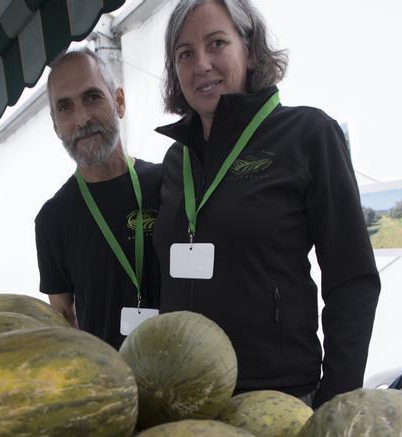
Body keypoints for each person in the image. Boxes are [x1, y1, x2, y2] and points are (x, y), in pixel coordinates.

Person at [153, 0, 379, 408]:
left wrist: (336, 400)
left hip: (277, 394)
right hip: (187, 395)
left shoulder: (308, 134)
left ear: (251, 49)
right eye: (184, 53)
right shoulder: (176, 161)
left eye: (216, 43)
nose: (201, 63)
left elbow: (352, 279)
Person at [35, 49, 164, 349]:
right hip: (112, 385)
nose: (82, 119)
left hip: (190, 372)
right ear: (55, 125)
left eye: (92, 97)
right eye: (65, 108)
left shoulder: (167, 183)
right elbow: (63, 317)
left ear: (119, 101)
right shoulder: (53, 219)